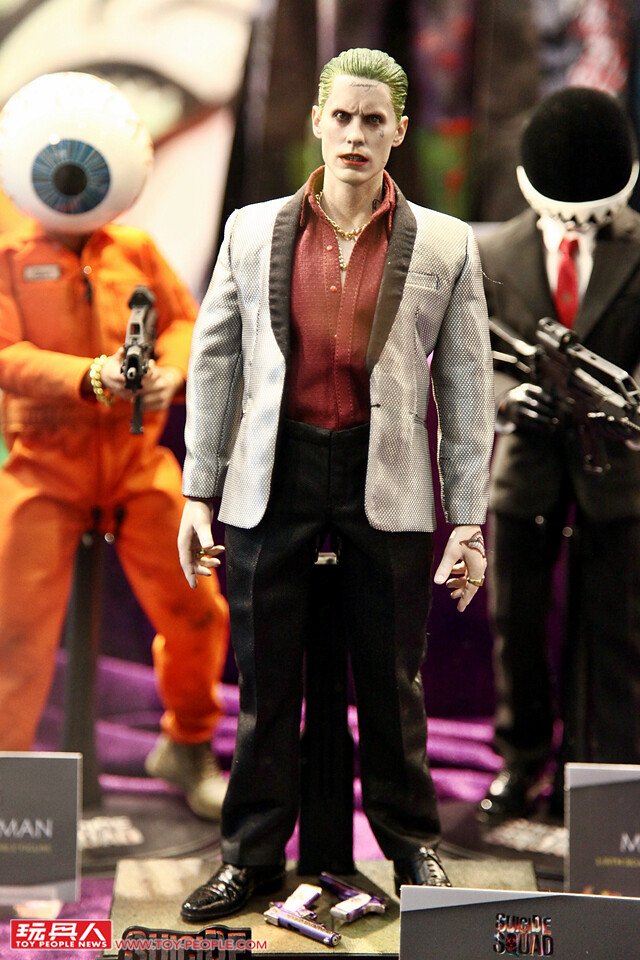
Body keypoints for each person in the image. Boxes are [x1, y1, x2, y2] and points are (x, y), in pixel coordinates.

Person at [177, 47, 494, 920]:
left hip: (383, 473)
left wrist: (468, 518)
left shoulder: (446, 242)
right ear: (317, 121)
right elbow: (215, 363)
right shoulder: (250, 230)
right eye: (342, 117)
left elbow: (467, 386)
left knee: (392, 680)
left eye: (373, 120)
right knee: (265, 679)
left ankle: (411, 843)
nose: (356, 134)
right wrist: (199, 490)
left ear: (400, 130)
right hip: (273, 472)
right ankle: (251, 855)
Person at [0, 72, 230, 820]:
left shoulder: (134, 248)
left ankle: (188, 742)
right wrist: (89, 377)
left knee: (197, 607)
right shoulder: (9, 253)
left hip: (136, 466)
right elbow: (6, 356)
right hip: (42, 467)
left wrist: (171, 372)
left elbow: (187, 322)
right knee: (13, 631)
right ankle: (11, 784)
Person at [477, 86, 640, 824]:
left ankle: (601, 770)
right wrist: (510, 398)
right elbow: (471, 356)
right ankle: (520, 761)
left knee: (616, 628)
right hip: (528, 461)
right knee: (516, 621)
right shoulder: (493, 252)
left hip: (620, 468)